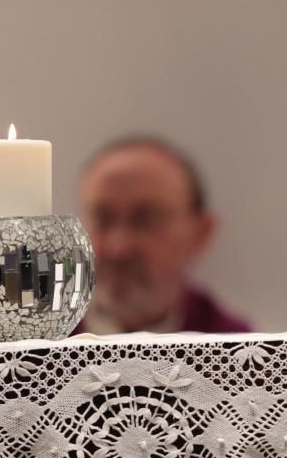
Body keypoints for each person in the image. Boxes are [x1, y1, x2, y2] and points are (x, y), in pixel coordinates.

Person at [76, 135, 251, 335]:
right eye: (102, 220)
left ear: (201, 233)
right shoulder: (40, 345)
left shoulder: (236, 352)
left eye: (146, 220)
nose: (119, 247)